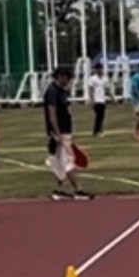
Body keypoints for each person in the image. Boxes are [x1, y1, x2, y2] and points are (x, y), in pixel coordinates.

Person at [43, 66, 94, 201]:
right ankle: (78, 190)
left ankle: (59, 190)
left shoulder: (61, 91)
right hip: (60, 132)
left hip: (64, 131)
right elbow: (52, 113)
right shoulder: (52, 91)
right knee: (68, 161)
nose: (68, 80)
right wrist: (57, 133)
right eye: (67, 77)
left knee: (59, 162)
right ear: (60, 76)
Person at [88, 63, 109, 137]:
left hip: (102, 100)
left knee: (101, 116)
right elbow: (91, 90)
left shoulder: (105, 79)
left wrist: (112, 98)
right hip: (96, 100)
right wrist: (92, 100)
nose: (100, 70)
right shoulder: (92, 79)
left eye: (101, 69)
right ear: (96, 70)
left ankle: (99, 130)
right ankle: (96, 131)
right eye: (98, 69)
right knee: (99, 116)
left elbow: (107, 89)